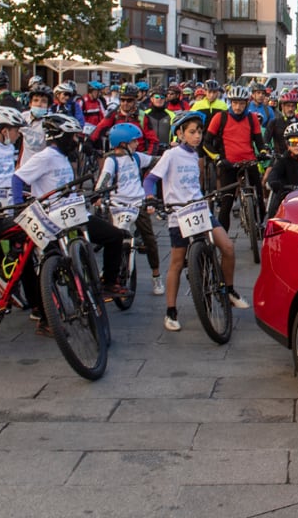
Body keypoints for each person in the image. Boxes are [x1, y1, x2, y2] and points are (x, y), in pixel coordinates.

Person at [144, 111, 249, 333]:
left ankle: (229, 290)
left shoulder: (195, 155)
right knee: (176, 262)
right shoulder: (171, 155)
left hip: (200, 210)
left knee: (228, 247)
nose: (197, 136)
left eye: (199, 132)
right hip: (178, 215)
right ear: (180, 133)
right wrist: (150, 197)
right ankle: (171, 312)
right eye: (192, 132)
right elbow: (151, 179)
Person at [13, 113, 127, 300]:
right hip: (52, 217)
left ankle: (108, 282)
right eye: (73, 136)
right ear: (62, 137)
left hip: (71, 211)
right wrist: (19, 205)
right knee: (50, 263)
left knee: (114, 236)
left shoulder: (64, 158)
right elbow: (18, 178)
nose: (76, 141)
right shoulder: (45, 157)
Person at [95, 122, 163, 296]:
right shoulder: (111, 161)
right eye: (133, 142)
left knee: (149, 240)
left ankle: (156, 276)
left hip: (138, 204)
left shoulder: (137, 157)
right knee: (113, 241)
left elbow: (156, 160)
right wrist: (99, 196)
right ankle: (110, 275)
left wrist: (170, 153)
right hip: (117, 206)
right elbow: (104, 181)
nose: (137, 144)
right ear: (122, 143)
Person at [204, 86, 266, 229]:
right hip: (229, 164)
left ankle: (260, 225)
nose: (238, 107)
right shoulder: (220, 117)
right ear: (230, 102)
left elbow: (259, 141)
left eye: (241, 103)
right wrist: (217, 158)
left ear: (247, 103)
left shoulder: (252, 119)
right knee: (226, 203)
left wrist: (262, 151)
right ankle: (223, 238)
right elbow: (206, 143)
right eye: (235, 103)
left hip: (249, 161)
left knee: (260, 197)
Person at [91, 84, 158, 154]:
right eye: (122, 100)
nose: (125, 103)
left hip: (137, 156)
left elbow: (153, 140)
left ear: (135, 100)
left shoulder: (142, 116)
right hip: (118, 155)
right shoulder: (114, 114)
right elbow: (100, 128)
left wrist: (148, 156)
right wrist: (89, 141)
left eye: (129, 100)